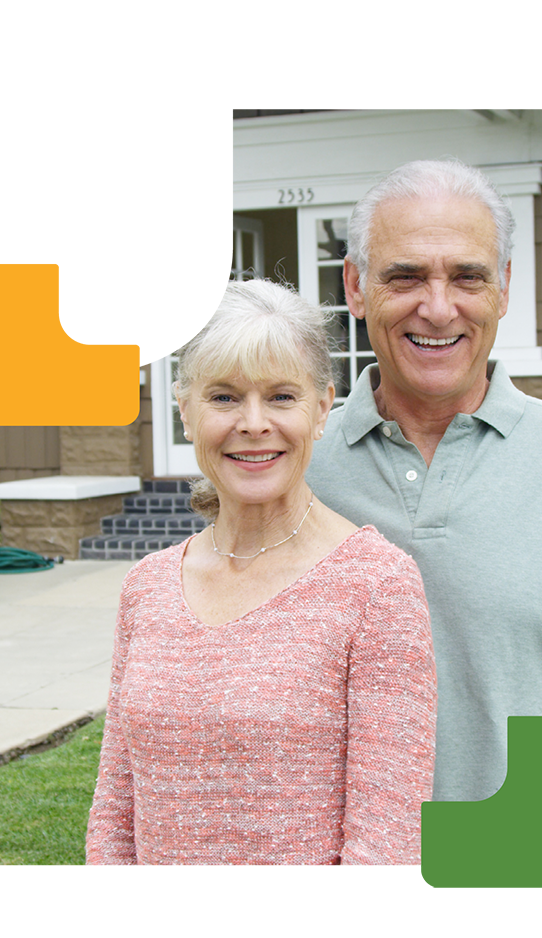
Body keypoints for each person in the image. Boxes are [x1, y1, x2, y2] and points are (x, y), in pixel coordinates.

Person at [85, 279, 436, 878]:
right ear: (185, 411)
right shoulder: (146, 587)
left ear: (322, 408)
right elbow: (116, 810)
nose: (253, 424)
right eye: (223, 398)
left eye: (280, 397)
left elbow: (387, 842)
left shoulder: (376, 586)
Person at [306, 159, 542, 804]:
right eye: (405, 276)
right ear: (354, 287)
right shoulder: (292, 471)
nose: (438, 309)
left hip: (534, 864)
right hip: (338, 867)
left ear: (504, 288)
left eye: (467, 276)